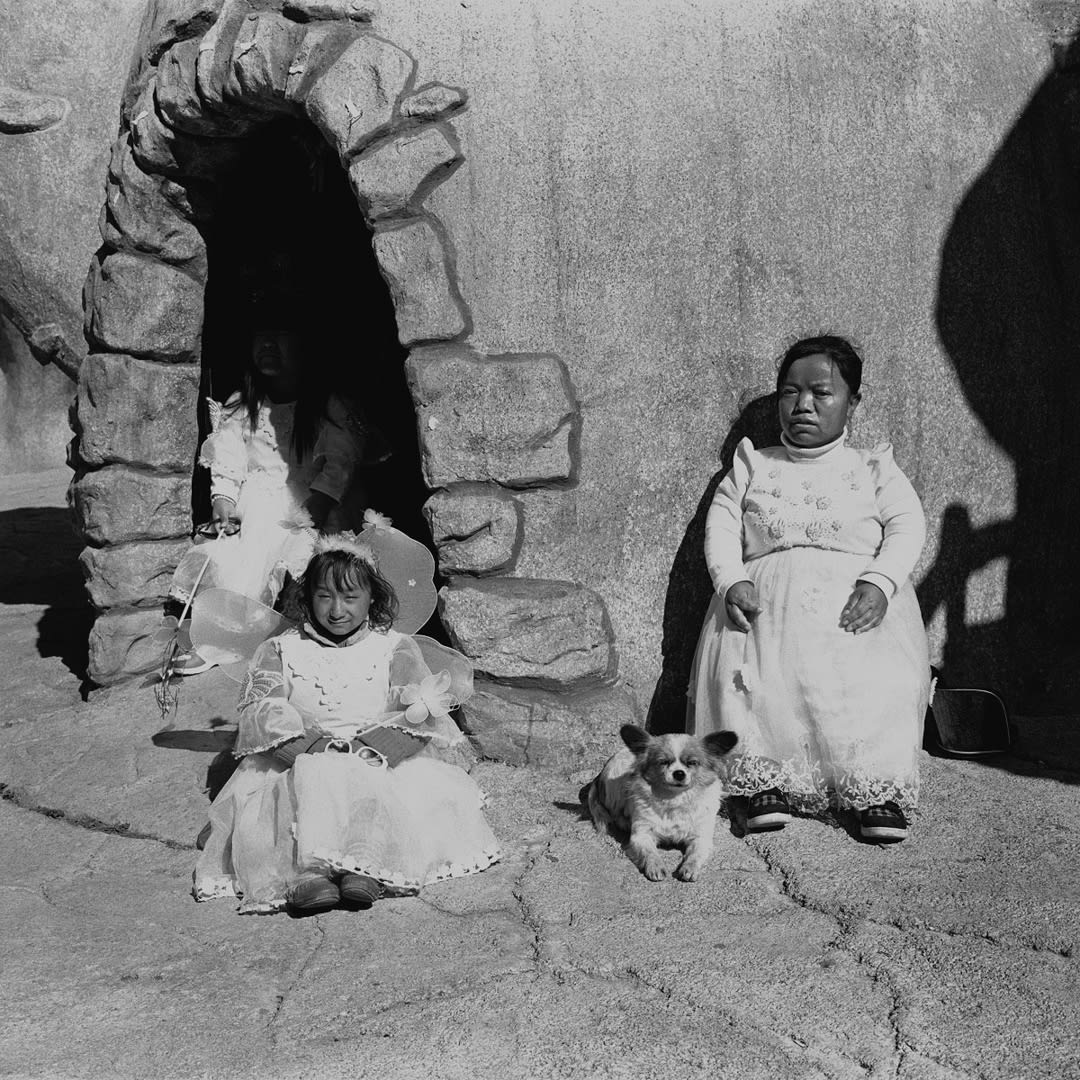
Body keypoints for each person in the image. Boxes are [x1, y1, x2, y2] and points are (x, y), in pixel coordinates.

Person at [687, 335, 930, 842]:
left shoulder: (872, 468)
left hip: (853, 613)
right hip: (764, 613)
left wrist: (880, 582)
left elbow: (908, 526)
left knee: (873, 685)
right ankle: (761, 782)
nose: (803, 405)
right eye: (789, 391)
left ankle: (871, 788)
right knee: (754, 684)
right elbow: (722, 527)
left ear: (852, 402)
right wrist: (731, 580)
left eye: (821, 393)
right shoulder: (754, 464)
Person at [193, 521, 501, 914]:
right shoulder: (281, 650)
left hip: (375, 755)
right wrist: (312, 749)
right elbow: (262, 709)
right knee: (296, 797)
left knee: (376, 795)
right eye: (324, 596)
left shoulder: (394, 648)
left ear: (372, 597)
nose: (337, 610)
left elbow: (417, 711)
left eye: (350, 597)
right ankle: (305, 873)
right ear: (307, 597)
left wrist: (375, 747)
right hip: (301, 756)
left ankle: (366, 860)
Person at [168, 310, 385, 673]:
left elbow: (339, 461)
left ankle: (282, 635)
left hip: (306, 502)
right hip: (254, 502)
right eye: (260, 337)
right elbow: (229, 456)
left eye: (280, 335)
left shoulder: (327, 405)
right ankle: (218, 638)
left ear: (304, 347)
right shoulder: (244, 404)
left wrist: (318, 504)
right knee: (231, 557)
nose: (268, 345)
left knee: (293, 555)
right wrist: (224, 498)